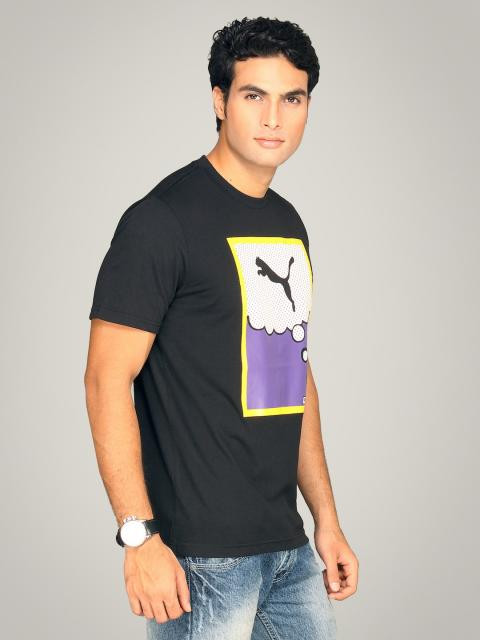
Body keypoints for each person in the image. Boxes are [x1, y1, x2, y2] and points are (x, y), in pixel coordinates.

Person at [84, 15, 358, 640]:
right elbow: (105, 379)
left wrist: (326, 520)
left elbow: (292, 373)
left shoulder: (287, 223)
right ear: (219, 100)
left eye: (292, 99)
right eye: (254, 95)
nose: (273, 118)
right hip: (199, 558)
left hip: (286, 550)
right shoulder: (161, 221)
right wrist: (139, 537)